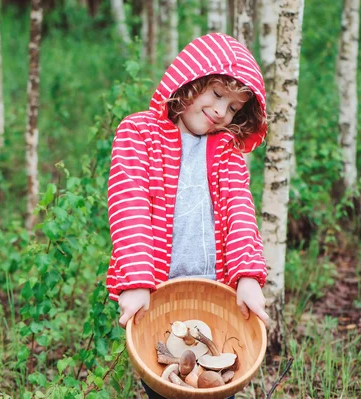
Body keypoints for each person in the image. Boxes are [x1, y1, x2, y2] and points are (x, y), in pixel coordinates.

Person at [106, 33, 270, 398]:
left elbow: (240, 210)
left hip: (216, 293)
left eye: (232, 108)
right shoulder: (139, 135)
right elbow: (129, 204)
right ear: (190, 81)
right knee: (166, 378)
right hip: (157, 292)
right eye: (215, 94)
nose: (220, 111)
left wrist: (247, 277)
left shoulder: (226, 150)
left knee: (216, 374)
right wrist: (136, 281)